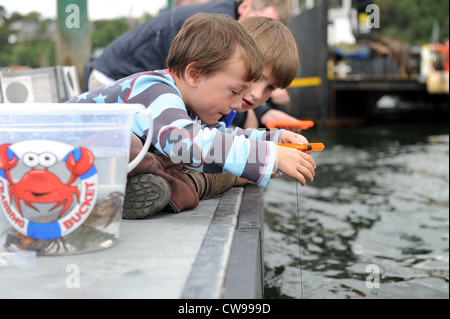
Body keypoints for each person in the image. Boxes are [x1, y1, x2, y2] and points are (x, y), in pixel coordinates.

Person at [69, 13, 316, 219]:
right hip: (65, 152)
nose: (235, 104)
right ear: (195, 74)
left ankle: (155, 187)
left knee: (169, 160)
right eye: (233, 92)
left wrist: (272, 140)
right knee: (131, 145)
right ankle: (140, 190)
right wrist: (270, 157)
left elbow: (220, 137)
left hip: (96, 163)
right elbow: (188, 143)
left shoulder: (189, 107)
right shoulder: (156, 90)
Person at [87, 0, 301, 130]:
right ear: (245, 7)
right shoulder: (215, 29)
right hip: (114, 79)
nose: (266, 30)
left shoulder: (228, 36)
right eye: (262, 21)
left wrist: (263, 113)